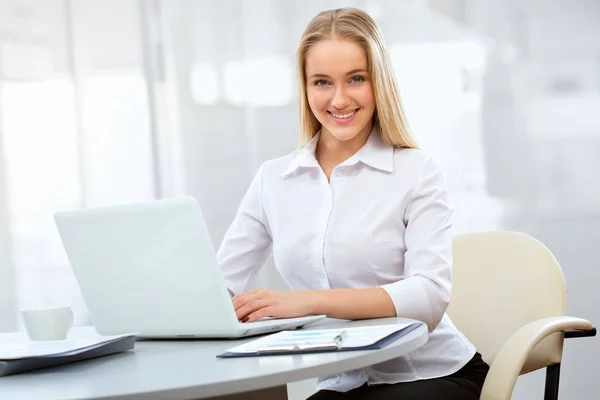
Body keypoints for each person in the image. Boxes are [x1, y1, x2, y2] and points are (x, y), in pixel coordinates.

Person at [216, 7, 489, 400]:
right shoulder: (273, 180)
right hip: (341, 382)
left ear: (379, 82)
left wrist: (304, 303)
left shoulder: (417, 172)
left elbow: (428, 297)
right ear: (305, 87)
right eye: (322, 82)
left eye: (356, 79)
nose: (339, 98)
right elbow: (221, 286)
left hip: (429, 375)